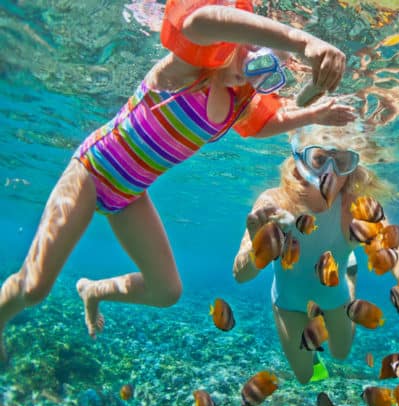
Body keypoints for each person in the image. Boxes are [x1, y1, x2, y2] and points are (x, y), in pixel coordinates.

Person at [0, 0, 358, 362]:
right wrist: (303, 42)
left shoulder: (236, 102)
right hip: (92, 171)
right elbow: (202, 20)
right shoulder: (187, 69)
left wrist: (315, 114)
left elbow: (266, 124)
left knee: (166, 290)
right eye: (250, 51)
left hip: (129, 195)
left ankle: (93, 291)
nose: (249, 71)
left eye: (262, 70)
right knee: (34, 287)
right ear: (235, 36)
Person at [231, 124, 395, 384]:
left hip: (334, 292)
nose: (329, 172)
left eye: (341, 161)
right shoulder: (274, 202)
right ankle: (339, 281)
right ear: (299, 160)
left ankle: (349, 279)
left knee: (341, 354)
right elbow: (240, 276)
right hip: (289, 301)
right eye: (318, 159)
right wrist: (256, 247)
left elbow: (389, 242)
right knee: (306, 376)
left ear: (352, 168)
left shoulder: (354, 205)